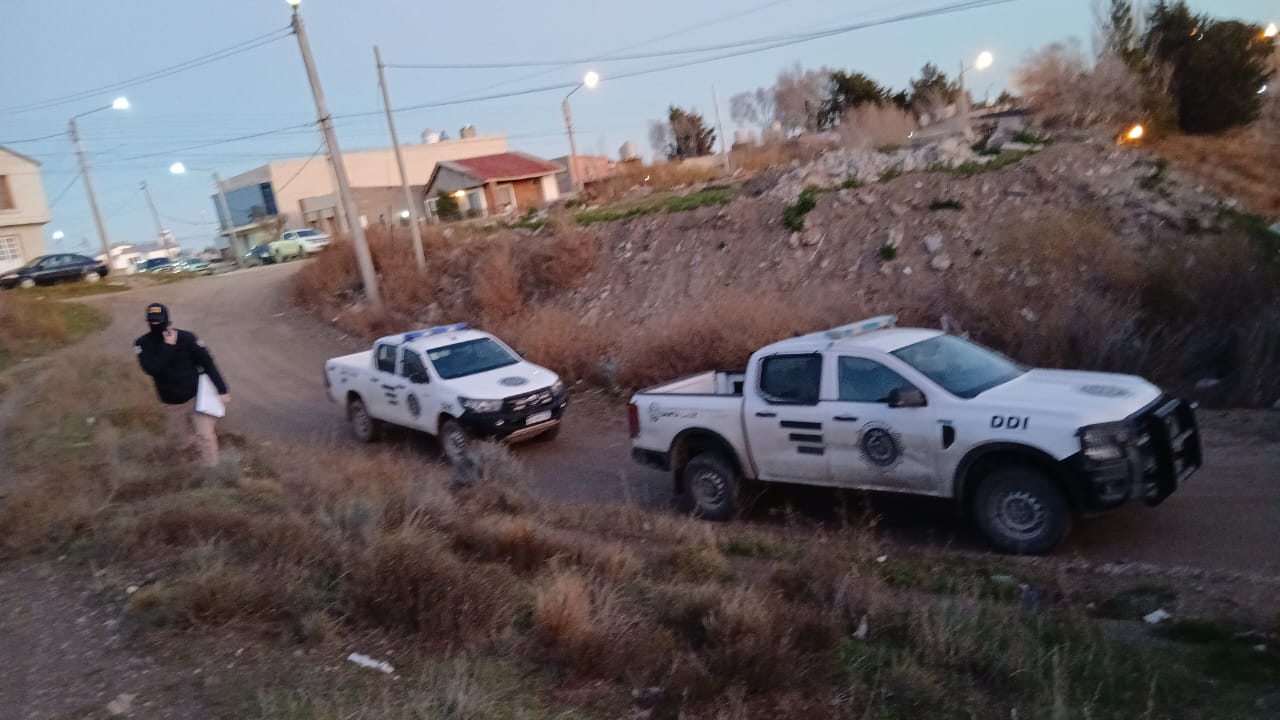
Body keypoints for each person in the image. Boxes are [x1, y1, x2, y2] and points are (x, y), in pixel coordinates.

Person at [134, 303, 230, 468]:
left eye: (159, 321)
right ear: (148, 322)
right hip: (171, 403)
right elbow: (152, 368)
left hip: (197, 397)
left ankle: (211, 470)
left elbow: (207, 363)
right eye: (152, 321)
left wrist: (222, 390)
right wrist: (168, 347)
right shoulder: (142, 344)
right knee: (180, 441)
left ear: (167, 321)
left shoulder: (187, 338)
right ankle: (191, 462)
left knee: (205, 435)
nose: (155, 325)